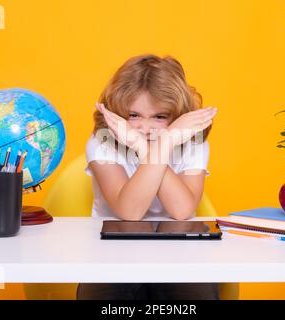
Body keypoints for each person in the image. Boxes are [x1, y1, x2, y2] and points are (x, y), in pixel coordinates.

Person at [77, 54, 219, 300]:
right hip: (113, 251)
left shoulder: (192, 141)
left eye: (160, 117)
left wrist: (155, 146)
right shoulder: (102, 141)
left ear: (177, 117)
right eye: (134, 115)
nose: (145, 127)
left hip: (180, 250)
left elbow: (181, 209)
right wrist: (154, 148)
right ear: (119, 113)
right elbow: (130, 212)